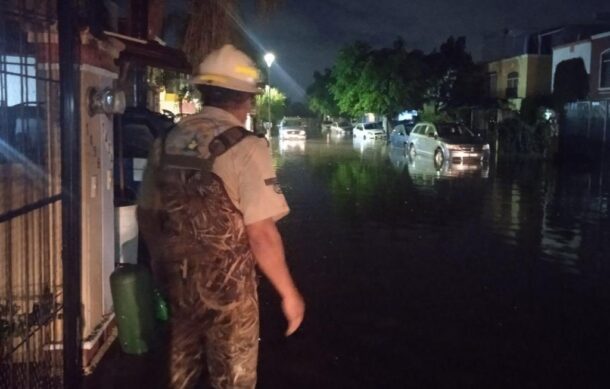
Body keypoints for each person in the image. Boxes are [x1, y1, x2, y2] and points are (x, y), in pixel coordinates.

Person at [136, 44, 305, 389]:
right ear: (246, 99)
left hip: (179, 285)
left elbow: (147, 214)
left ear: (204, 91)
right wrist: (289, 293)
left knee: (181, 372)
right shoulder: (246, 147)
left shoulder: (166, 140)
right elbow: (261, 234)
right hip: (230, 297)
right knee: (233, 378)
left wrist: (160, 266)